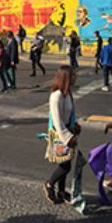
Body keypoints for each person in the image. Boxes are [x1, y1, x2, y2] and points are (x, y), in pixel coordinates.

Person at [43, 65, 87, 213]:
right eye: (73, 76)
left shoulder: (67, 93)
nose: (75, 78)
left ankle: (62, 191)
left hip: (68, 129)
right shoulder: (56, 96)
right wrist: (68, 138)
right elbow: (57, 121)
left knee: (66, 160)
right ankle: (49, 184)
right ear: (66, 77)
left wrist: (75, 125)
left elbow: (69, 114)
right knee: (65, 165)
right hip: (60, 134)